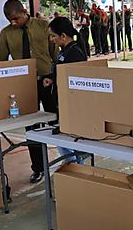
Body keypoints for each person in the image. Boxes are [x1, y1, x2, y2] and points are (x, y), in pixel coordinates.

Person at [0, 0, 57, 183]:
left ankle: (68, 161)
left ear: (24, 11)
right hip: (24, 85)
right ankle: (38, 168)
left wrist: (54, 75)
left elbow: (54, 53)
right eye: (9, 20)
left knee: (56, 121)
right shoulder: (6, 33)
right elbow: (0, 61)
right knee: (31, 128)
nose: (13, 23)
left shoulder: (43, 26)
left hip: (47, 81)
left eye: (15, 18)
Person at [42, 17, 90, 164]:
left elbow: (76, 81)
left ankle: (75, 165)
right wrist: (51, 78)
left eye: (53, 36)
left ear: (63, 36)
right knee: (62, 142)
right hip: (62, 104)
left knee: (67, 142)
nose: (51, 40)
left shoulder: (75, 53)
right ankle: (72, 164)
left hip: (72, 107)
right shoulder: (64, 51)